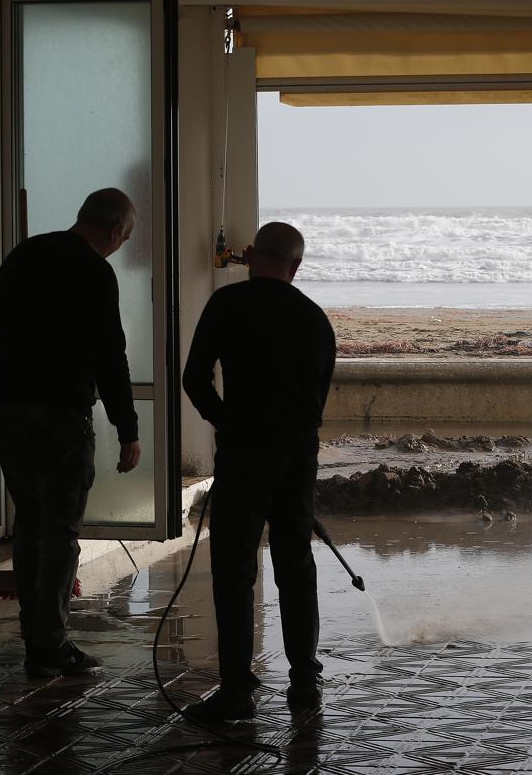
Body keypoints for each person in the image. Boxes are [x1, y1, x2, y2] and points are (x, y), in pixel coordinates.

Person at [0, 187, 142, 677]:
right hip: (62, 419)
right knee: (61, 530)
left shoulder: (27, 253)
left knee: (29, 523)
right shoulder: (95, 272)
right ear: (114, 231)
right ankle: (49, 643)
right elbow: (112, 357)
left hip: (10, 413)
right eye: (124, 239)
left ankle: (35, 636)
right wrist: (127, 428)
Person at [181, 222, 337, 721]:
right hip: (296, 456)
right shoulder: (314, 319)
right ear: (296, 265)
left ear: (250, 256)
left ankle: (237, 692)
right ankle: (304, 684)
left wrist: (228, 422)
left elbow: (194, 378)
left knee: (234, 570)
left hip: (244, 455)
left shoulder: (227, 306)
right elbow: (317, 401)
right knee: (296, 565)